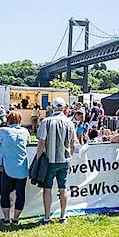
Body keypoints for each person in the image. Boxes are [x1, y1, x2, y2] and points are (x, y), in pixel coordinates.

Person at [35, 96, 76, 224]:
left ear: (52, 107)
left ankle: (47, 217)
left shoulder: (46, 121)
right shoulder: (69, 122)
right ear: (64, 108)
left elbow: (41, 142)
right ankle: (63, 216)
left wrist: (38, 158)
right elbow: (73, 143)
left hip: (49, 160)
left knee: (47, 188)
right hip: (64, 160)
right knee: (63, 188)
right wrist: (70, 155)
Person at [0, 111, 30, 225]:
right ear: (20, 120)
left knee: (5, 193)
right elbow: (28, 142)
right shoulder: (25, 131)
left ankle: (6, 219)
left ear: (8, 120)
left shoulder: (4, 130)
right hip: (22, 167)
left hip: (7, 167)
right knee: (20, 194)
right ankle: (16, 219)